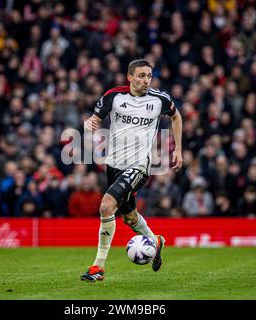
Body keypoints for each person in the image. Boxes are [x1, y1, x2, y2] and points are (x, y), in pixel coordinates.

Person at [80, 59, 183, 282]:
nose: (146, 80)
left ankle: (97, 267)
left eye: (149, 75)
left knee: (106, 206)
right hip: (114, 165)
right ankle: (154, 241)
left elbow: (176, 116)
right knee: (129, 217)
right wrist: (89, 123)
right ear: (130, 77)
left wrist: (179, 150)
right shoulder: (114, 96)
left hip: (139, 166)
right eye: (141, 75)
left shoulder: (159, 99)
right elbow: (94, 119)